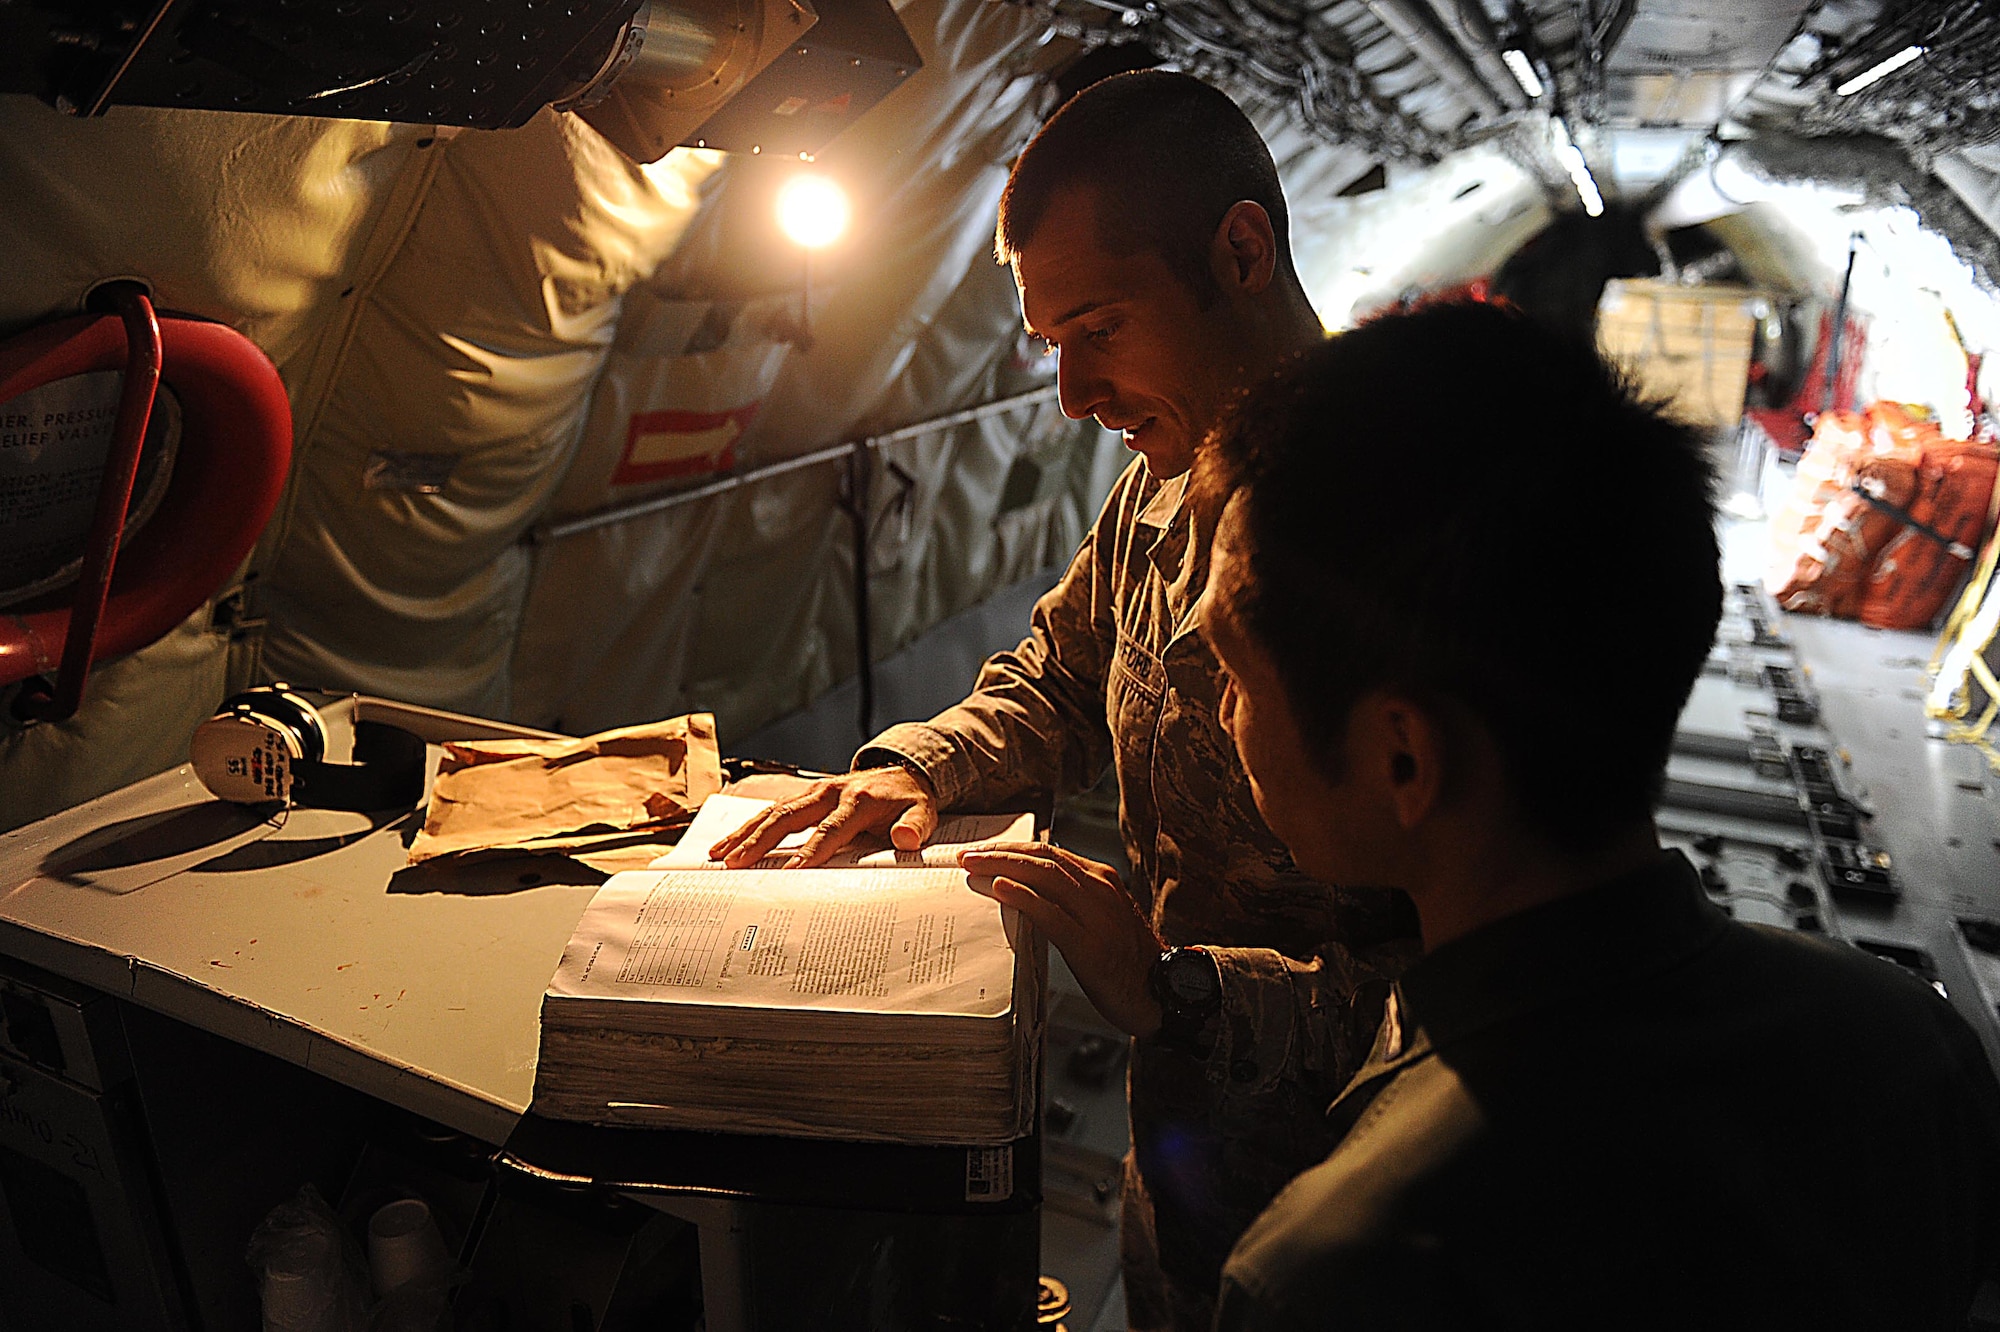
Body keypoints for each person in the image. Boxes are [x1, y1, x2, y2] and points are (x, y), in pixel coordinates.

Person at [709, 70, 1417, 1328]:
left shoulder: (1402, 542)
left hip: (1360, 1212)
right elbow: (1062, 675)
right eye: (1050, 346)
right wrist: (921, 766)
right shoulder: (1163, 477)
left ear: (1240, 252)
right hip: (1185, 1145)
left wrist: (1178, 988)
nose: (1072, 397)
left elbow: (1453, 1001)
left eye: (1100, 328)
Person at [1134, 300, 1997, 1327]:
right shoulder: (1910, 1050)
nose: (1222, 715)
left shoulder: (1331, 1273)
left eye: (1236, 677)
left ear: (1404, 758)